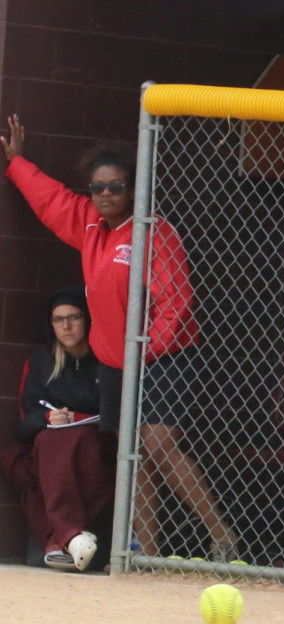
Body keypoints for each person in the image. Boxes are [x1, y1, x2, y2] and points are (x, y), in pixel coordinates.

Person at [2, 115, 238, 562]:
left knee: (158, 444)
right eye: (98, 187)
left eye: (115, 187)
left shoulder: (153, 231)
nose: (105, 195)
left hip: (162, 359)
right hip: (114, 366)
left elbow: (177, 303)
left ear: (133, 189)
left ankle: (221, 534)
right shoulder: (90, 224)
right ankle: (145, 554)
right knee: (134, 456)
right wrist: (17, 164)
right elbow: (53, 202)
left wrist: (145, 351)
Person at [1, 288, 111, 571]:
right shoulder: (41, 362)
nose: (66, 326)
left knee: (68, 443)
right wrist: (48, 418)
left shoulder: (104, 359)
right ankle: (69, 538)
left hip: (93, 443)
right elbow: (26, 422)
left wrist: (78, 416)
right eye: (58, 319)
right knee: (20, 457)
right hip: (49, 444)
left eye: (74, 318)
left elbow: (113, 413)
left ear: (86, 320)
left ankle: (57, 540)